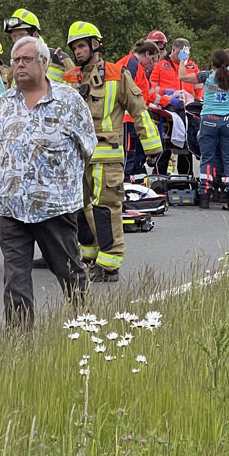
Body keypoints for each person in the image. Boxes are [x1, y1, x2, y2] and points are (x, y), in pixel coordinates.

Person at [0, 36, 97, 327]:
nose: (19, 65)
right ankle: (20, 341)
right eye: (15, 60)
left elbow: (87, 148)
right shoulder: (3, 103)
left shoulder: (68, 101)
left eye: (26, 60)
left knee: (70, 273)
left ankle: (85, 327)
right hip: (11, 209)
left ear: (44, 63)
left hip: (54, 208)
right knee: (15, 281)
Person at [62, 22, 161, 282]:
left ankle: (110, 264)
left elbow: (139, 110)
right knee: (80, 209)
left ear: (95, 45)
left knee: (105, 209)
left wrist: (152, 147)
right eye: (74, 47)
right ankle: (90, 257)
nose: (78, 51)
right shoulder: (71, 77)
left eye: (82, 45)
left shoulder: (117, 74)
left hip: (106, 157)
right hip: (76, 159)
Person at [196, 49, 229, 209]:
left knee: (207, 158)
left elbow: (183, 76)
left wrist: (184, 61)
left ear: (213, 63)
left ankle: (204, 195)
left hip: (209, 120)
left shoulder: (207, 76)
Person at [149, 36, 201, 176]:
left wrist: (197, 101)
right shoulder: (161, 66)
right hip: (167, 110)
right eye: (180, 54)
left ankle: (186, 178)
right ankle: (160, 178)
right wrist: (167, 97)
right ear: (173, 50)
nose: (183, 57)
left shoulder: (192, 66)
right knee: (165, 147)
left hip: (187, 108)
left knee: (187, 147)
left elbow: (200, 87)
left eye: (186, 54)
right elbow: (152, 88)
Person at [117, 39, 163, 180]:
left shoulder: (134, 65)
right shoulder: (131, 65)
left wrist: (167, 99)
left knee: (135, 155)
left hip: (133, 118)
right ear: (147, 54)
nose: (154, 64)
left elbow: (146, 95)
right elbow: (125, 91)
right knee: (128, 155)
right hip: (128, 118)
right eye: (153, 59)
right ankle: (126, 184)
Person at [1, 8, 69, 83]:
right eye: (14, 36)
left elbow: (72, 90)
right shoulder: (15, 65)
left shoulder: (60, 59)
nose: (17, 41)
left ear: (35, 35)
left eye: (21, 35)